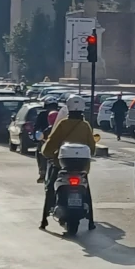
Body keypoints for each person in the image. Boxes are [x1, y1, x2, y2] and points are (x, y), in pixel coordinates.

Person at [38, 96, 97, 230]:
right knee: (86, 192)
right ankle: (91, 221)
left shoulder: (62, 124)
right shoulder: (85, 126)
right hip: (82, 168)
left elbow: (51, 143)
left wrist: (46, 153)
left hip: (61, 166)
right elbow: (92, 148)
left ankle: (44, 220)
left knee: (50, 188)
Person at [34, 100, 61, 182]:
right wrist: (37, 137)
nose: (51, 109)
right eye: (50, 107)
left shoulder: (63, 121)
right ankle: (43, 172)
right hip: (44, 139)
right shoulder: (43, 116)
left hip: (59, 143)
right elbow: (37, 128)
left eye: (53, 107)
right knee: (40, 151)